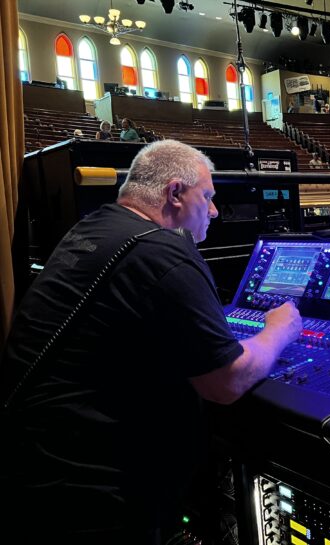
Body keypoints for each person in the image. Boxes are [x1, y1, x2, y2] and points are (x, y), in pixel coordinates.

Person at [0, 140, 302, 543]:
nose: (213, 210)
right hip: (88, 497)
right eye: (208, 196)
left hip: (30, 469)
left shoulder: (93, 228)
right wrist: (279, 330)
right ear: (175, 193)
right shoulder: (161, 251)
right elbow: (228, 381)